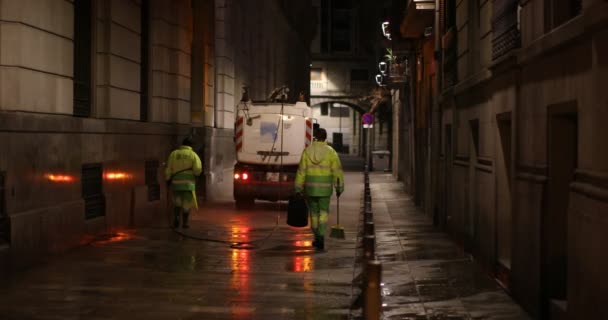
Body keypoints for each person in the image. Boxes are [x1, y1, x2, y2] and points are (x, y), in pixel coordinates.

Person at [295, 128, 345, 250]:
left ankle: (317, 235)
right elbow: (337, 172)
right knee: (323, 212)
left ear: (315, 137)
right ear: (325, 137)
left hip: (310, 189)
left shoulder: (307, 151)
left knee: (313, 213)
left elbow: (301, 171)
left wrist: (298, 188)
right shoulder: (331, 152)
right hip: (325, 190)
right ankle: (321, 235)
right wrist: (339, 188)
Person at [165, 137, 202, 229]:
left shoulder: (174, 154)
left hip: (176, 184)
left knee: (177, 203)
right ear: (191, 145)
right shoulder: (193, 155)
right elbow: (198, 170)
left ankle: (176, 218)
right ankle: (185, 223)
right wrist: (195, 174)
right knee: (186, 204)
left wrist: (168, 178)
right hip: (188, 185)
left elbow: (168, 168)